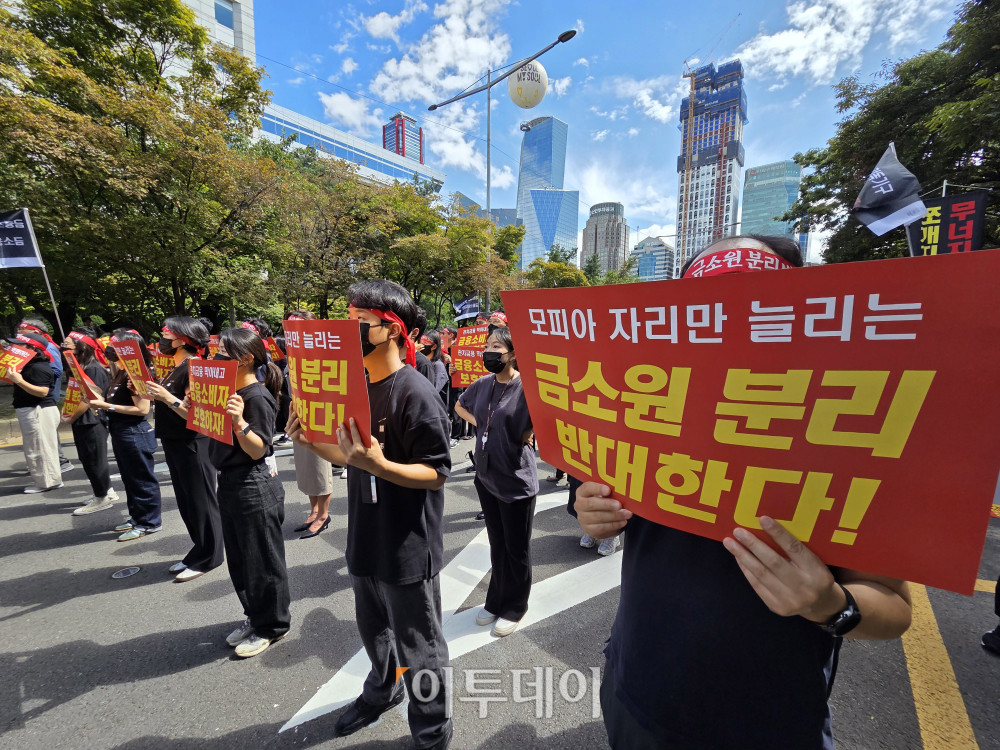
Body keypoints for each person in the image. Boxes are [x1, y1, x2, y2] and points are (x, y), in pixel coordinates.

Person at [574, 235, 913, 750]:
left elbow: (894, 606)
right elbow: (604, 509)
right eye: (708, 312)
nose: (730, 328)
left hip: (770, 726)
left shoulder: (845, 434)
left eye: (755, 307)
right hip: (635, 695)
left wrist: (831, 605)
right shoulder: (643, 411)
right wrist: (591, 510)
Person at [287, 279, 452, 750]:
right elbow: (349, 457)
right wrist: (308, 440)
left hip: (407, 546)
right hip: (363, 536)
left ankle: (432, 732)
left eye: (360, 323)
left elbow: (437, 473)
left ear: (392, 330)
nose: (349, 330)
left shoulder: (416, 393)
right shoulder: (355, 386)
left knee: (421, 649)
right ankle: (381, 690)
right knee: (373, 630)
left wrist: (382, 465)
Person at [208, 327, 290, 659]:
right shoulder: (226, 391)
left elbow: (258, 450)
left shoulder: (256, 397)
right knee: (241, 561)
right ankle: (254, 616)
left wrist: (239, 422)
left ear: (245, 359)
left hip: (253, 484)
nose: (216, 357)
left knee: (263, 561)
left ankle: (272, 625)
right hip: (228, 482)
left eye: (223, 353)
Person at [456, 326, 538, 637]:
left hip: (516, 481)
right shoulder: (481, 384)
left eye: (496, 346)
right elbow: (459, 405)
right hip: (486, 477)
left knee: (516, 549)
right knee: (497, 545)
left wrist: (529, 433)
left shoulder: (528, 387)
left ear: (513, 354)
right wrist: (481, 425)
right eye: (487, 345)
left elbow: (548, 417)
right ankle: (495, 600)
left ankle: (515, 607)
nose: (489, 351)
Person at [144, 317, 224, 582]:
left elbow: (195, 412)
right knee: (187, 501)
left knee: (201, 500)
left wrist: (166, 397)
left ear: (181, 339)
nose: (162, 339)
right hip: (174, 441)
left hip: (193, 443)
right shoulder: (176, 366)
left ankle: (210, 556)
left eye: (165, 334)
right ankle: (198, 548)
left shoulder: (195, 367)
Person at [84, 330, 162, 541]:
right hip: (121, 431)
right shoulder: (120, 371)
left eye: (117, 344)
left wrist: (106, 405)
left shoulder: (137, 372)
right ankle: (137, 517)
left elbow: (143, 409)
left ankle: (149, 522)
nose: (111, 347)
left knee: (142, 480)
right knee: (130, 479)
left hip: (134, 432)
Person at [281, 310, 335, 539]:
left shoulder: (323, 353)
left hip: (321, 416)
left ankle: (324, 514)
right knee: (305, 467)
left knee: (320, 466)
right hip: (299, 415)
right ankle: (314, 510)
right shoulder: (292, 354)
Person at [60, 328, 116, 514]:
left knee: (94, 460)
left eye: (68, 342)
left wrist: (71, 416)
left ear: (81, 345)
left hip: (92, 421)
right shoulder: (81, 367)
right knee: (88, 458)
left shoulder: (93, 369)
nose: (64, 344)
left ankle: (102, 498)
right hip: (83, 421)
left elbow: (91, 399)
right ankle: (105, 491)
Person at [7, 332, 63, 493]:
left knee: (41, 448)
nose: (15, 348)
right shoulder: (29, 365)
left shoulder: (39, 367)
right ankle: (49, 480)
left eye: (19, 345)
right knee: (38, 447)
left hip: (38, 411)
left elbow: (43, 392)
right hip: (32, 410)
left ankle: (47, 482)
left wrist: (19, 380)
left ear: (32, 348)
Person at [18, 318, 73, 473]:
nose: (19, 333)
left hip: (44, 395)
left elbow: (55, 370)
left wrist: (35, 371)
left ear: (36, 332)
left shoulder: (48, 347)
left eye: (23, 330)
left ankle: (59, 462)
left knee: (47, 431)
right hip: (32, 395)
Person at [420, 331, 449, 408]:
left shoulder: (438, 365)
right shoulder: (422, 362)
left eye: (425, 343)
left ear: (434, 347)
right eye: (421, 342)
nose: (421, 345)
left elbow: (433, 391)